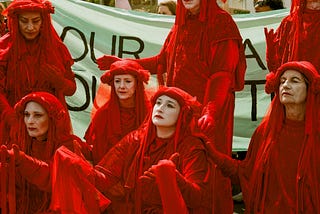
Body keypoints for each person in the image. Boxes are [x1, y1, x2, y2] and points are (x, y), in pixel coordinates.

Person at [97, 0, 246, 212]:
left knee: (205, 174)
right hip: (176, 113)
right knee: (175, 174)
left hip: (205, 117)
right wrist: (126, 63)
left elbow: (222, 74)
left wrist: (210, 112)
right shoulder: (180, 25)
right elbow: (162, 60)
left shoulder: (222, 23)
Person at [50, 86, 212, 213]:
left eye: (170, 105)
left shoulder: (192, 147)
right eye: (158, 103)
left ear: (182, 114)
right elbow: (105, 176)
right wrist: (76, 164)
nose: (160, 108)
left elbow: (197, 197)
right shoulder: (135, 138)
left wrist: (172, 177)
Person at [204, 61, 320, 213]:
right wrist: (213, 154)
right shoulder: (264, 133)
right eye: (282, 81)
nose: (285, 85)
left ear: (310, 88)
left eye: (294, 80)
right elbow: (246, 174)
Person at [0, 0, 76, 145]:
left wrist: (59, 81)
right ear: (15, 21)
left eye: (35, 21)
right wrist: (12, 119)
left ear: (44, 21)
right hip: (12, 124)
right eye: (24, 21)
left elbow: (71, 89)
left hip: (49, 127)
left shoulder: (56, 49)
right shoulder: (4, 49)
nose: (30, 27)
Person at [0, 92, 86, 213]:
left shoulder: (69, 145)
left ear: (52, 118)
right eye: (26, 114)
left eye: (38, 115)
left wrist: (21, 159)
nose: (30, 121)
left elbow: (54, 177)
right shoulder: (20, 142)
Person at [82, 59, 151, 165]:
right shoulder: (103, 114)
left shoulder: (150, 112)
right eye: (117, 81)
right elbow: (98, 155)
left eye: (128, 81)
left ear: (137, 84)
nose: (121, 86)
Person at [265, 0, 320, 73]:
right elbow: (279, 62)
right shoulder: (289, 22)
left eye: (318, 2)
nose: (314, 6)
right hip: (296, 78)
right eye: (310, 2)